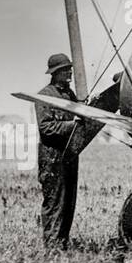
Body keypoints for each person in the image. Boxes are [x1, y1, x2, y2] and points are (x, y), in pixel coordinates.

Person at [33, 53, 101, 248]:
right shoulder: (44, 96)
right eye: (65, 69)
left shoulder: (69, 95)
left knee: (68, 202)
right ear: (55, 74)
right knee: (55, 202)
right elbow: (46, 128)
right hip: (52, 158)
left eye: (70, 68)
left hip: (69, 155)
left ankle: (62, 243)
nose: (70, 72)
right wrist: (72, 125)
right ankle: (52, 247)